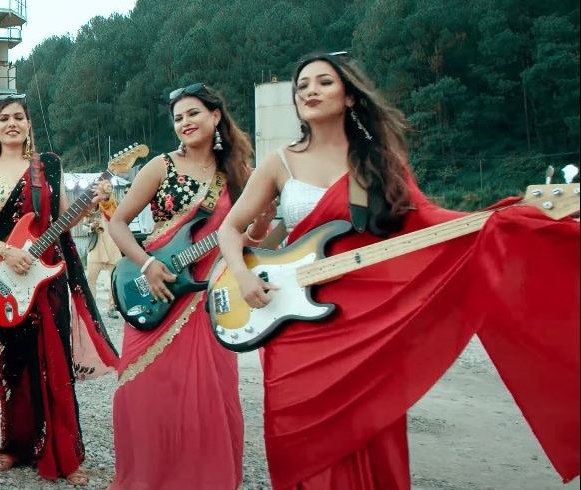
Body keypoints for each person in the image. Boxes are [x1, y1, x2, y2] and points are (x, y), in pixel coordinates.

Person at [216, 53, 579, 489]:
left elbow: (429, 223)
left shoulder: (379, 162)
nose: (309, 91)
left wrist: (502, 219)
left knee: (370, 431)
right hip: (296, 325)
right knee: (300, 444)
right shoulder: (280, 162)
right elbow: (229, 229)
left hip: (364, 324)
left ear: (350, 97)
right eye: (302, 85)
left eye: (324, 82)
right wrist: (243, 276)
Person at [105, 83, 274, 489]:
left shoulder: (240, 174)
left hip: (208, 295)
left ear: (216, 116)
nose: (185, 122)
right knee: (144, 392)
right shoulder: (160, 166)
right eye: (178, 117)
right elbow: (118, 223)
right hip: (157, 290)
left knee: (209, 393)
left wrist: (265, 220)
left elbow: (251, 241)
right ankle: (148, 479)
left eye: (193, 113)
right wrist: (147, 264)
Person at [0, 93, 119, 486]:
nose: (11, 123)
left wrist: (92, 201)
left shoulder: (47, 166)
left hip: (47, 279)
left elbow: (64, 220)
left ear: (29, 124)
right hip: (3, 280)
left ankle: (64, 453)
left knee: (55, 364)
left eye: (19, 117)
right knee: (11, 365)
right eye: (3, 118)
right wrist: (6, 252)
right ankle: (14, 446)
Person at [82, 194, 121, 316]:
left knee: (114, 280)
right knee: (90, 279)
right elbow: (84, 227)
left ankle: (112, 308)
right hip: (96, 248)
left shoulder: (115, 207)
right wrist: (91, 227)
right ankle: (92, 308)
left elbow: (122, 223)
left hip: (112, 247)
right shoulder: (91, 208)